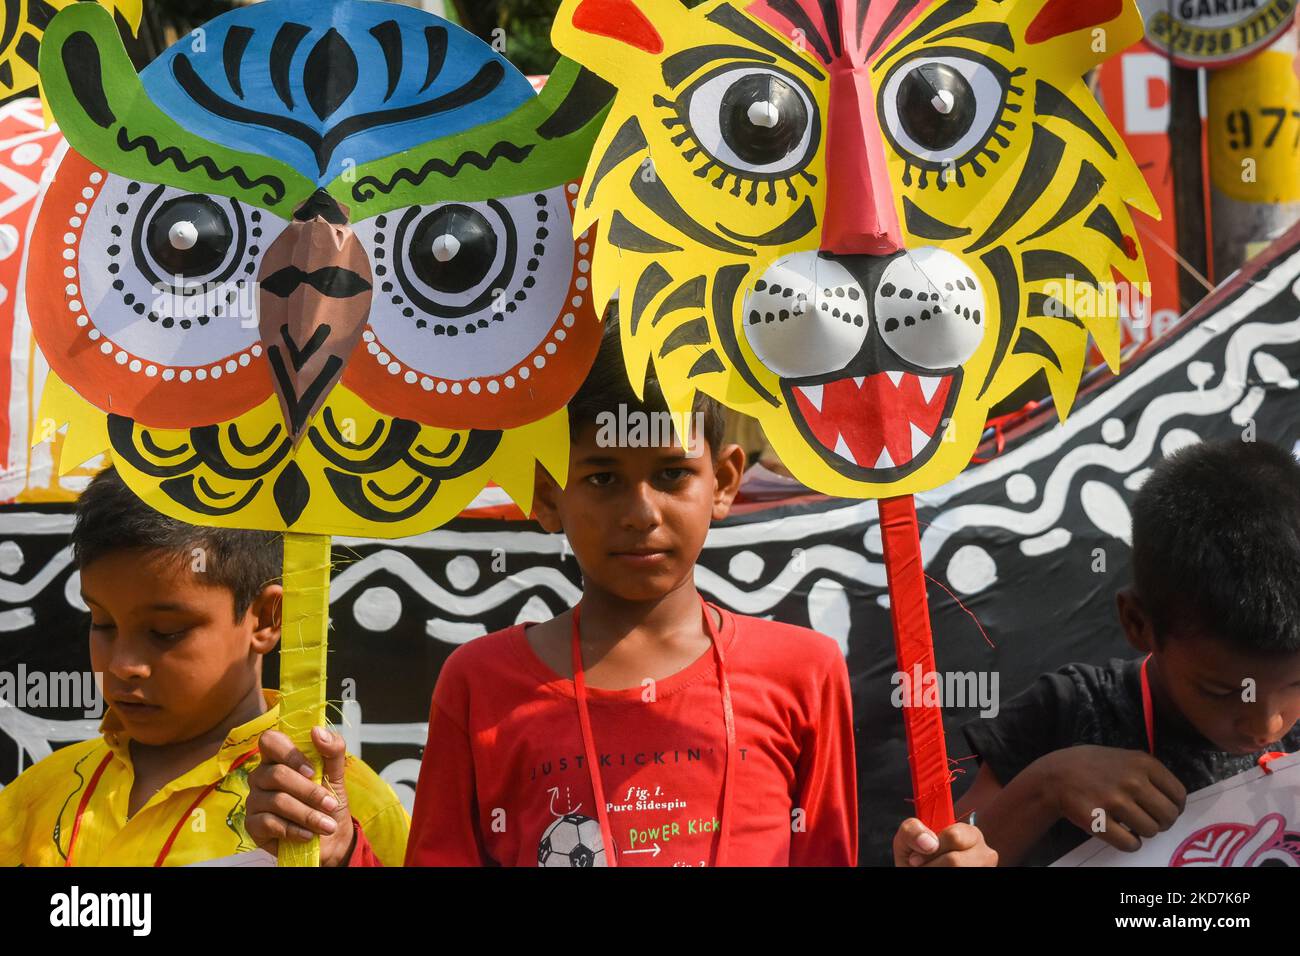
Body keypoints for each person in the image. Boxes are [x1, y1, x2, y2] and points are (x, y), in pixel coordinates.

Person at [247, 316, 996, 867]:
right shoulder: (480, 684)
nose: (641, 513)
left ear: (726, 481)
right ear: (546, 495)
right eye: (601, 477)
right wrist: (343, 851)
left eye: (672, 474)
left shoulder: (802, 671)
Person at [0, 466, 408, 866]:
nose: (124, 665)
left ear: (267, 619)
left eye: (165, 631)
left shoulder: (335, 810)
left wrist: (345, 858)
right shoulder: (35, 798)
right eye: (103, 623)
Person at [957, 439, 1300, 865]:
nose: (1266, 725)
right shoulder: (1069, 714)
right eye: (1220, 690)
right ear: (1139, 624)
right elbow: (946, 855)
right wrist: (1047, 787)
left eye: (1297, 684)